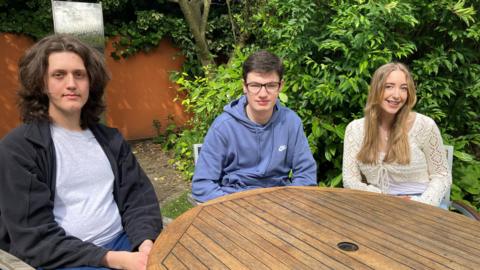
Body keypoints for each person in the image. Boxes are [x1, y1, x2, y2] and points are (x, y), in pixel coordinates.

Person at [0, 34, 163, 269]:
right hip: (67, 261)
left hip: (127, 245)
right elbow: (34, 238)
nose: (71, 84)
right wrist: (114, 260)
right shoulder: (18, 150)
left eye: (79, 74)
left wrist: (146, 243)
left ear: (91, 82)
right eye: (59, 75)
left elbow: (138, 199)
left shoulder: (111, 140)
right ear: (41, 83)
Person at [192, 50, 317, 203]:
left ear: (280, 86)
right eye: (255, 85)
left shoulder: (291, 122)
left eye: (271, 85)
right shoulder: (223, 127)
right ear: (244, 86)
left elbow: (306, 175)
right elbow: (202, 185)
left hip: (280, 205)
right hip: (235, 205)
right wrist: (237, 207)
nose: (263, 93)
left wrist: (288, 203)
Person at [342, 62, 451, 207]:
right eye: (389, 86)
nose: (397, 95)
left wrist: (421, 203)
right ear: (376, 89)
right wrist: (383, 198)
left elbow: (442, 176)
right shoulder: (355, 130)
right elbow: (350, 179)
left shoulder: (425, 125)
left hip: (423, 204)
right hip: (377, 204)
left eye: (403, 88)